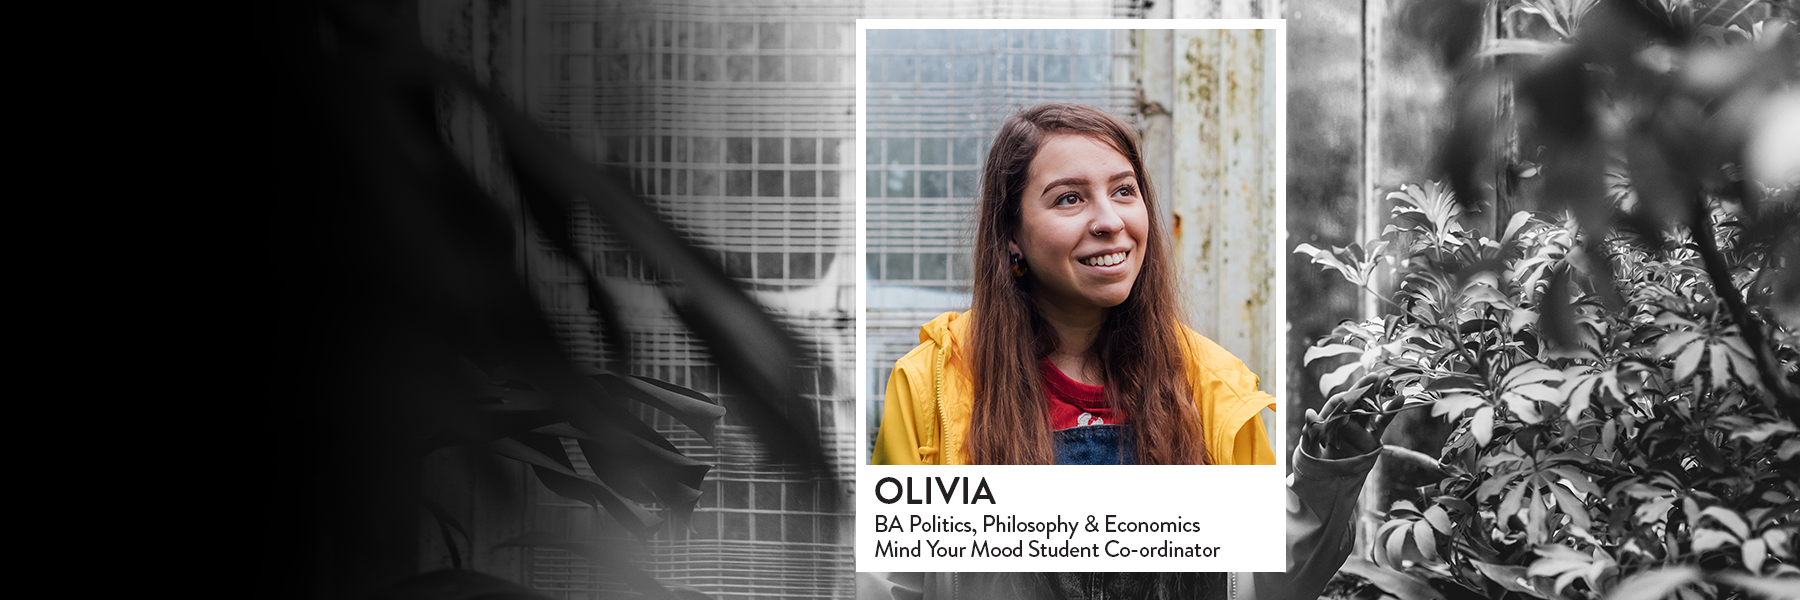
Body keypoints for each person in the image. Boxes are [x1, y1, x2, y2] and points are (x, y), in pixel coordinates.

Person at [863, 103, 1383, 599]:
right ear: (1011, 235)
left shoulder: (1213, 386)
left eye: (1124, 191)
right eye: (1069, 198)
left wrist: (1325, 475)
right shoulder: (931, 383)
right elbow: (891, 586)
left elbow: (1265, 586)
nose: (1109, 220)